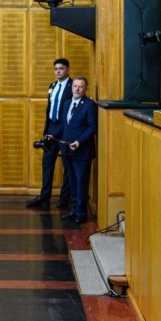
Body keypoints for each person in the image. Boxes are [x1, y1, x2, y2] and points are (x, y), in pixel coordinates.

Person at [28, 58, 73, 209]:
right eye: (56, 69)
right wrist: (47, 131)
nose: (58, 71)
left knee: (67, 166)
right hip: (51, 129)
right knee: (47, 164)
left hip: (65, 131)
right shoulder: (52, 86)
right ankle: (44, 197)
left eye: (61, 68)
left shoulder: (73, 86)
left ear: (67, 70)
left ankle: (64, 199)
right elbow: (49, 109)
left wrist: (59, 132)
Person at [60, 77, 97, 224]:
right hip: (67, 150)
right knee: (72, 181)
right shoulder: (67, 103)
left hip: (82, 151)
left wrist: (79, 142)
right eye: (75, 86)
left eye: (80, 87)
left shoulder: (89, 105)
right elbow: (66, 126)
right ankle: (74, 210)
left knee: (81, 182)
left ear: (85, 89)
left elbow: (92, 127)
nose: (77, 89)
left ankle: (81, 214)